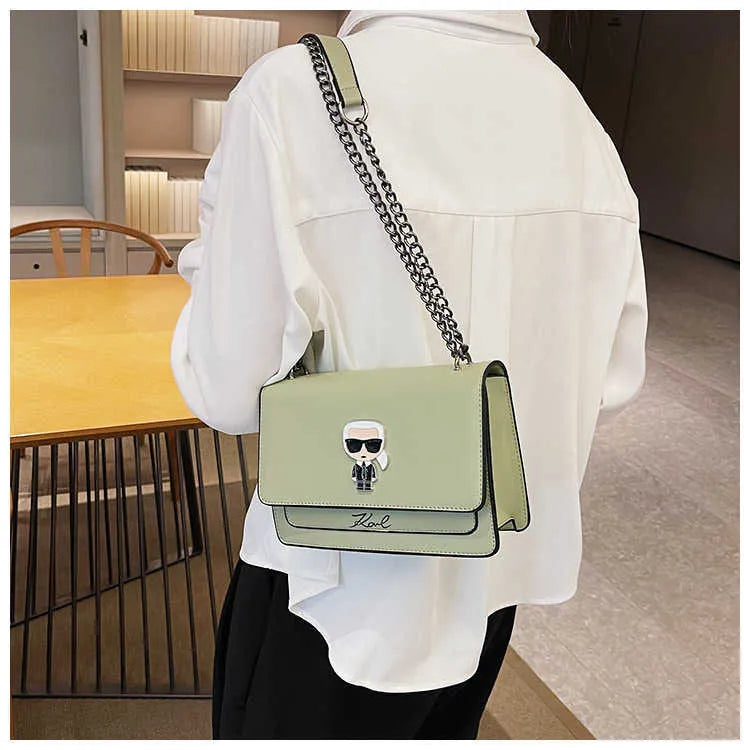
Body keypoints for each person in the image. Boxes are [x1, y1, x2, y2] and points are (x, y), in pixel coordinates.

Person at [170, 10, 647, 740]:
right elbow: (611, 382)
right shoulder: (579, 122)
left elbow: (227, 392)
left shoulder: (289, 93)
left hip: (328, 578)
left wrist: (208, 259)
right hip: (491, 570)